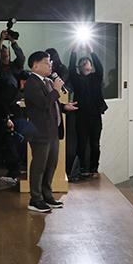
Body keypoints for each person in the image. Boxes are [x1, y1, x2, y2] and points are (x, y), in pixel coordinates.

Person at [25, 51, 78, 212]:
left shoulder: (47, 81)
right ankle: (35, 199)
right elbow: (43, 104)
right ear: (35, 66)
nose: (50, 66)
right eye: (47, 63)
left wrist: (63, 107)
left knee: (50, 166)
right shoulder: (31, 83)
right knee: (39, 166)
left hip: (53, 131)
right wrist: (56, 90)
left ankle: (47, 195)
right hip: (40, 132)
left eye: (51, 63)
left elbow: (52, 104)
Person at [68, 44, 108, 180]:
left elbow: (100, 68)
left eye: (88, 63)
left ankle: (93, 168)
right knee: (81, 143)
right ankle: (81, 169)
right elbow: (71, 69)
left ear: (91, 67)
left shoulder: (96, 77)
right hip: (81, 117)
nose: (86, 65)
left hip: (95, 116)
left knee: (95, 144)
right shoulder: (77, 79)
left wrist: (92, 52)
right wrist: (74, 51)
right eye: (83, 63)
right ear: (80, 67)